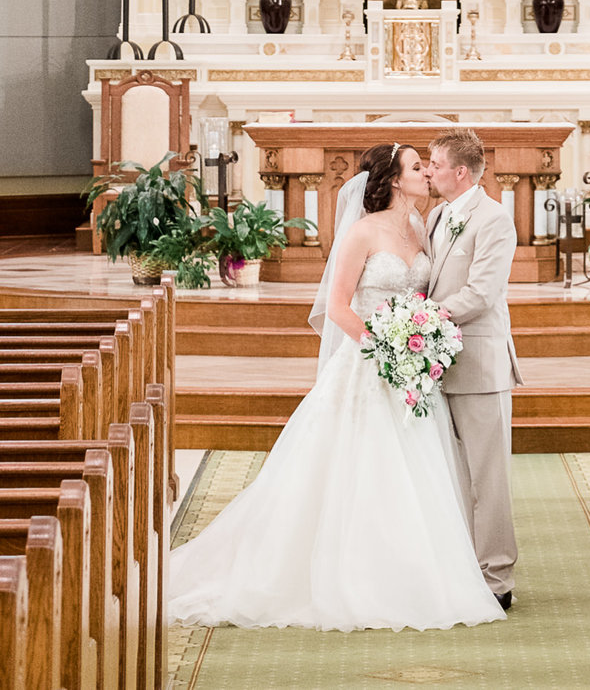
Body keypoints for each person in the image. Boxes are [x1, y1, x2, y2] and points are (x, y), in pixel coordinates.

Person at [167, 142, 503, 631]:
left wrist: (413, 346)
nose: (426, 173)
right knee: (359, 468)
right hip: (370, 365)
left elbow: (426, 293)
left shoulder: (421, 227)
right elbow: (339, 307)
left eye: (427, 166)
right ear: (391, 179)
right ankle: (347, 575)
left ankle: (412, 572)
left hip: (410, 371)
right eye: (416, 167)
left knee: (415, 472)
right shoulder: (362, 232)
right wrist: (385, 347)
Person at [422, 129, 522, 608]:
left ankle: (498, 580)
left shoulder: (495, 220)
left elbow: (481, 293)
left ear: (461, 172)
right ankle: (463, 568)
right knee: (453, 475)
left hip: (479, 364)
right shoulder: (439, 214)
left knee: (488, 478)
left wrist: (422, 319)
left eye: (435, 163)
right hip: (439, 360)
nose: (428, 170)